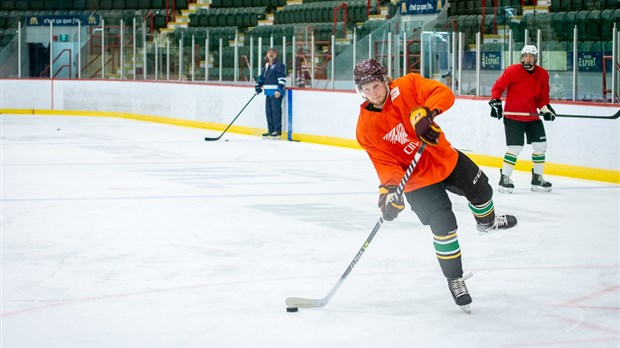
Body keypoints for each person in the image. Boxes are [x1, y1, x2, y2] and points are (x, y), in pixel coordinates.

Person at [354, 58, 517, 313]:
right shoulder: (365, 127)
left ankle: (487, 221)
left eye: (375, 85)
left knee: (482, 192)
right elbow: (385, 164)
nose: (373, 93)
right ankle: (455, 279)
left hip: (444, 158)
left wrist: (426, 113)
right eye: (366, 89)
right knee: (444, 227)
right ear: (360, 91)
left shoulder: (408, 85)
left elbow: (443, 93)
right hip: (416, 181)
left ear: (384, 80)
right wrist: (389, 192)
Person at [489, 44, 555, 193]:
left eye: (531, 56)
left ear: (536, 58)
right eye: (525, 56)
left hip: (532, 117)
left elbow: (542, 100)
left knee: (541, 146)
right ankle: (504, 178)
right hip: (513, 116)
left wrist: (546, 110)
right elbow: (498, 87)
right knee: (515, 147)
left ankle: (537, 178)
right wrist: (495, 102)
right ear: (522, 57)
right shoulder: (513, 71)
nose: (528, 59)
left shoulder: (543, 75)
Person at [254, 47, 286, 137]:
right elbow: (261, 77)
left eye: (273, 53)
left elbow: (282, 78)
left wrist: (279, 90)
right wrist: (258, 86)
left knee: (276, 112)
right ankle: (270, 129)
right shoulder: (266, 65)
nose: (271, 54)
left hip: (275, 93)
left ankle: (277, 130)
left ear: (276, 55)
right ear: (267, 55)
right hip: (268, 92)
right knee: (269, 112)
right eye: (269, 53)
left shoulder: (279, 65)